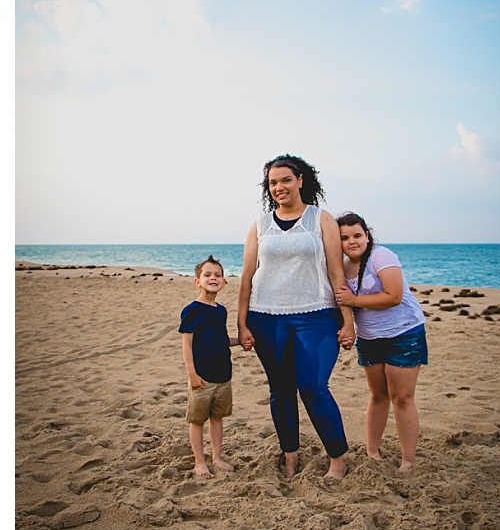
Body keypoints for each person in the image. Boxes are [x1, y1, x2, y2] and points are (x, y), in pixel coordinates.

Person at [237, 154, 355, 480]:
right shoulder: (260, 225)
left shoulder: (322, 219)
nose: (279, 188)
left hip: (317, 315)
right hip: (266, 317)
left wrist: (348, 320)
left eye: (285, 180)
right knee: (280, 390)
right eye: (273, 183)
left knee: (313, 387)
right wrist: (242, 323)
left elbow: (335, 272)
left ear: (300, 180)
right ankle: (290, 455)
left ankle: (337, 457)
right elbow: (247, 276)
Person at [335, 212, 428, 471]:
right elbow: (341, 303)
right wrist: (347, 327)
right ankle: (372, 452)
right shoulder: (340, 267)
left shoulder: (381, 255)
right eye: (344, 238)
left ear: (367, 235)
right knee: (378, 395)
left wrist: (354, 301)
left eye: (357, 235)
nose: (352, 241)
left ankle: (408, 460)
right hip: (370, 338)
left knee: (401, 398)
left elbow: (394, 295)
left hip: (404, 332)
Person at [179, 255, 239, 479]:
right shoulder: (192, 310)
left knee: (217, 418)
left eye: (217, 275)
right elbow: (187, 344)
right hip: (201, 377)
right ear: (197, 281)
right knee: (197, 420)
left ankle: (216, 457)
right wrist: (192, 374)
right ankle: (199, 462)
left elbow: (221, 339)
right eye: (207, 275)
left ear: (224, 282)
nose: (213, 278)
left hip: (223, 375)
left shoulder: (220, 310)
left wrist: (241, 341)